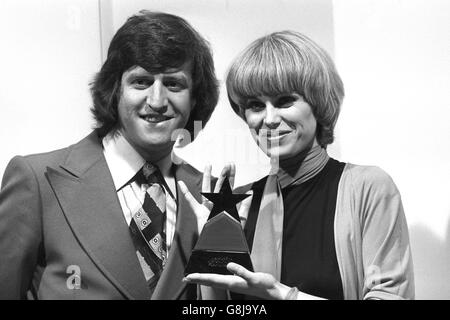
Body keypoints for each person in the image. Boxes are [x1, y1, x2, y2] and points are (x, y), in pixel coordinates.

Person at [0, 10, 220, 300]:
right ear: (115, 90)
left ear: (195, 99)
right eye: (141, 81)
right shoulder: (38, 182)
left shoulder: (210, 194)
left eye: (173, 84)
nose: (156, 101)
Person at [182, 30, 415, 300]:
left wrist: (284, 295)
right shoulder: (237, 204)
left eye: (284, 101)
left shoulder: (367, 188)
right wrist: (209, 254)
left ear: (318, 102)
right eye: (256, 105)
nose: (269, 119)